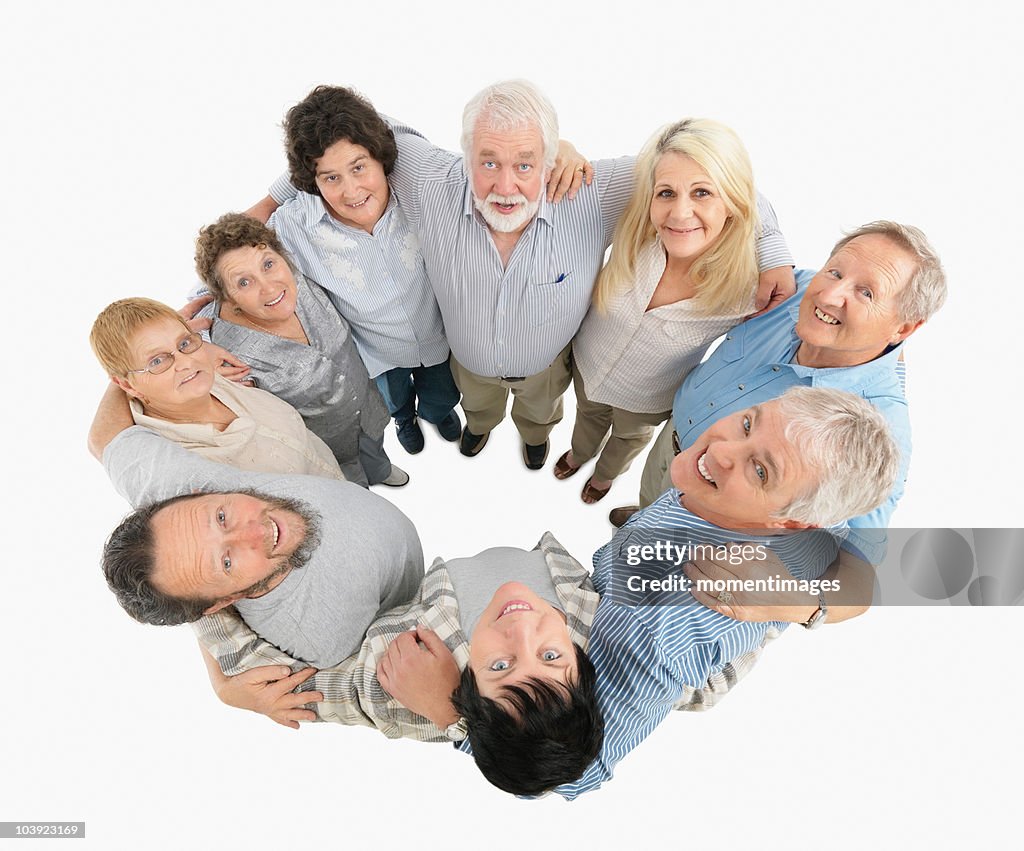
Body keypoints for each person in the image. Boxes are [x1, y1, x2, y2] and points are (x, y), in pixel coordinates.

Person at [252, 79, 796, 470]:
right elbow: (354, 137)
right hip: (469, 365)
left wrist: (771, 249)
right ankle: (480, 431)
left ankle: (535, 440)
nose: (506, 185)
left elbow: (709, 174)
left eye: (526, 163)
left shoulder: (593, 191)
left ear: (549, 156)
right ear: (463, 154)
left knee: (541, 416)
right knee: (479, 410)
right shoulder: (429, 178)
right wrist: (269, 202)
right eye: (488, 161)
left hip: (548, 368)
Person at [610, 221, 947, 626]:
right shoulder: (799, 289)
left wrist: (795, 603)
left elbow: (859, 575)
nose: (831, 293)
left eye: (867, 292)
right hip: (677, 445)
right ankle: (646, 515)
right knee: (652, 500)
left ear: (905, 327)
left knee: (646, 578)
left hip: (713, 516)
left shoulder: (878, 433)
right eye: (836, 271)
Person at [196, 531, 604, 797]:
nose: (523, 629)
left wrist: (223, 686)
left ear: (466, 689)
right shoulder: (611, 624)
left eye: (500, 666)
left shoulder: (409, 690)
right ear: (584, 664)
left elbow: (279, 683)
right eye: (551, 657)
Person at [90, 391, 423, 668]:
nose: (255, 533)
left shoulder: (179, 490)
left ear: (199, 493)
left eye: (221, 518)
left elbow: (102, 438)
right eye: (226, 562)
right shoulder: (322, 636)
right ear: (223, 602)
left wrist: (140, 360)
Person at [555, 118, 769, 504]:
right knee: (586, 420)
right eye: (666, 193)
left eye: (702, 192)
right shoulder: (635, 232)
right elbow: (584, 174)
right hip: (588, 369)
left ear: (734, 202)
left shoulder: (748, 291)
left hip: (647, 400)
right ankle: (579, 454)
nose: (679, 213)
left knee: (626, 440)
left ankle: (604, 477)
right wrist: (564, 148)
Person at [265, 85, 462, 456]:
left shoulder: (420, 194)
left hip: (438, 339)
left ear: (381, 158)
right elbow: (235, 261)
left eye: (359, 168)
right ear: (311, 181)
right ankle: (406, 421)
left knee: (443, 396)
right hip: (378, 353)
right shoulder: (294, 227)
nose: (351, 190)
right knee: (395, 402)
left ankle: (439, 414)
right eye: (330, 178)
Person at [192, 213, 407, 488]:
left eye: (268, 264)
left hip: (366, 407)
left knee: (375, 448)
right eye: (244, 282)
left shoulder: (302, 276)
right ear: (226, 296)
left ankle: (380, 470)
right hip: (325, 446)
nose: (269, 287)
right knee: (351, 487)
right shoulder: (226, 354)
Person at [89, 297, 344, 479]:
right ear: (124, 384)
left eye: (184, 343)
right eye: (157, 361)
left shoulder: (209, 373)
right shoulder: (174, 462)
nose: (185, 363)